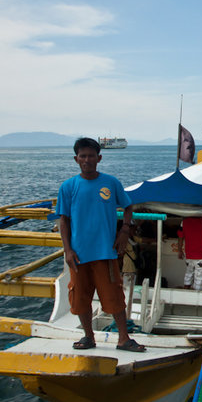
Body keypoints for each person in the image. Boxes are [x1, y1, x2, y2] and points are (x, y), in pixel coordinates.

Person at [56, 137, 145, 352]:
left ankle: (123, 339)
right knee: (80, 298)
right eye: (83, 156)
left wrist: (124, 230)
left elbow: (128, 206)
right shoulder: (68, 187)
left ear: (99, 158)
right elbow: (63, 220)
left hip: (106, 253)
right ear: (76, 159)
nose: (87, 160)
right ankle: (88, 337)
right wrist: (67, 250)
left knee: (114, 296)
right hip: (78, 254)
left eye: (91, 156)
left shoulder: (111, 183)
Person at [177, 217, 202, 290]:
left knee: (188, 275)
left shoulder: (184, 222)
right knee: (200, 280)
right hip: (201, 256)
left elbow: (180, 237)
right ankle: (196, 299)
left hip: (189, 256)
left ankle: (185, 295)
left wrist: (179, 250)